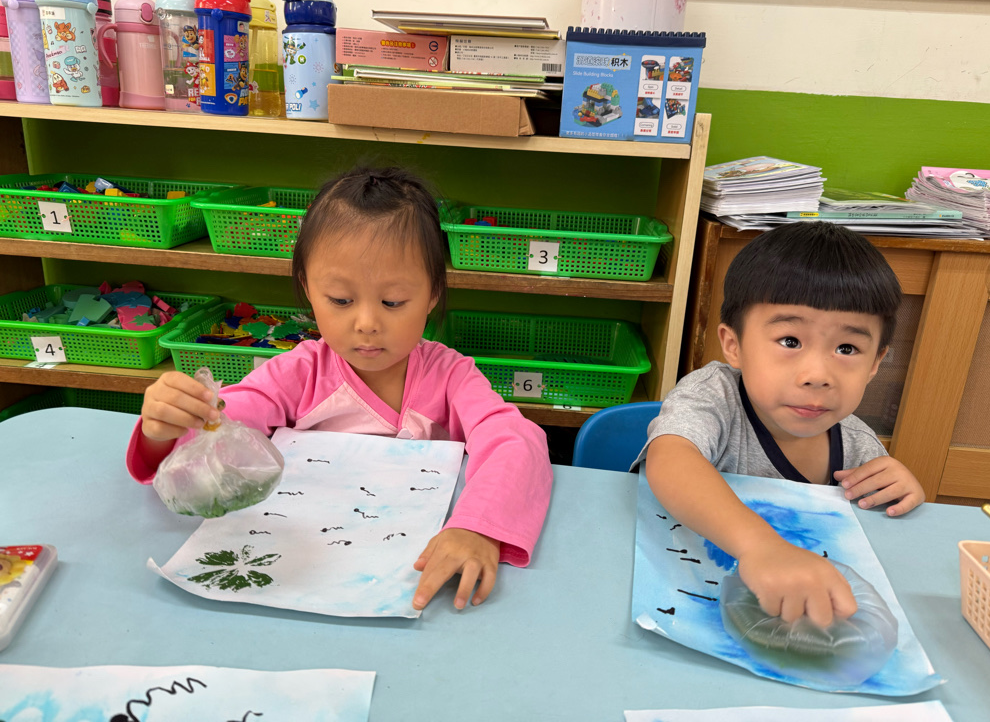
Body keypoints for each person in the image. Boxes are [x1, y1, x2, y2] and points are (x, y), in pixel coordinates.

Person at [127, 166, 552, 611]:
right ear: (309, 289)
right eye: (341, 300)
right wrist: (166, 432)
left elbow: (515, 442)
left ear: (432, 293)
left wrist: (478, 527)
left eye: (393, 301)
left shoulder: (451, 377)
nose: (366, 322)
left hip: (410, 574)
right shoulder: (296, 374)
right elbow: (221, 429)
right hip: (303, 568)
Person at [635, 221, 924, 628]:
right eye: (790, 341)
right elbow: (670, 459)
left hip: (790, 616)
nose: (817, 375)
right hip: (685, 588)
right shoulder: (713, 396)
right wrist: (760, 546)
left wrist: (898, 492)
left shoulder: (859, 445)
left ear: (876, 362)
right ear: (733, 345)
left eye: (847, 348)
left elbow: (871, 538)